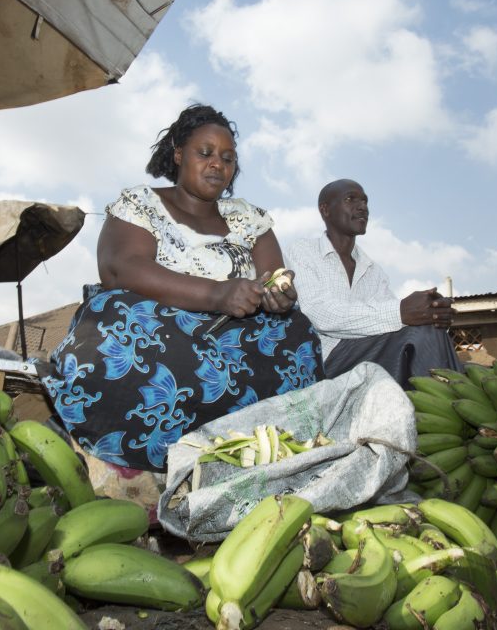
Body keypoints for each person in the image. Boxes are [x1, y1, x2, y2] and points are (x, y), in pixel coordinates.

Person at [42, 105, 323, 478]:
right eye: (204, 153)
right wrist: (216, 294)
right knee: (115, 313)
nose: (217, 164)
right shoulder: (142, 204)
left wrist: (278, 295)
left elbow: (274, 276)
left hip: (236, 341)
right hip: (159, 334)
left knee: (297, 332)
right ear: (178, 154)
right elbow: (120, 268)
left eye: (227, 158)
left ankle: (255, 446)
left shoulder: (249, 218)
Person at [285, 179, 462, 389]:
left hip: (368, 354)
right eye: (351, 199)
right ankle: (454, 407)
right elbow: (320, 314)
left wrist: (430, 312)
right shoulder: (302, 251)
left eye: (365, 201)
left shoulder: (373, 271)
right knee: (419, 333)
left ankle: (444, 410)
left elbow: (397, 324)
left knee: (429, 328)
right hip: (323, 363)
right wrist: (401, 310)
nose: (362, 207)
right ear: (325, 210)